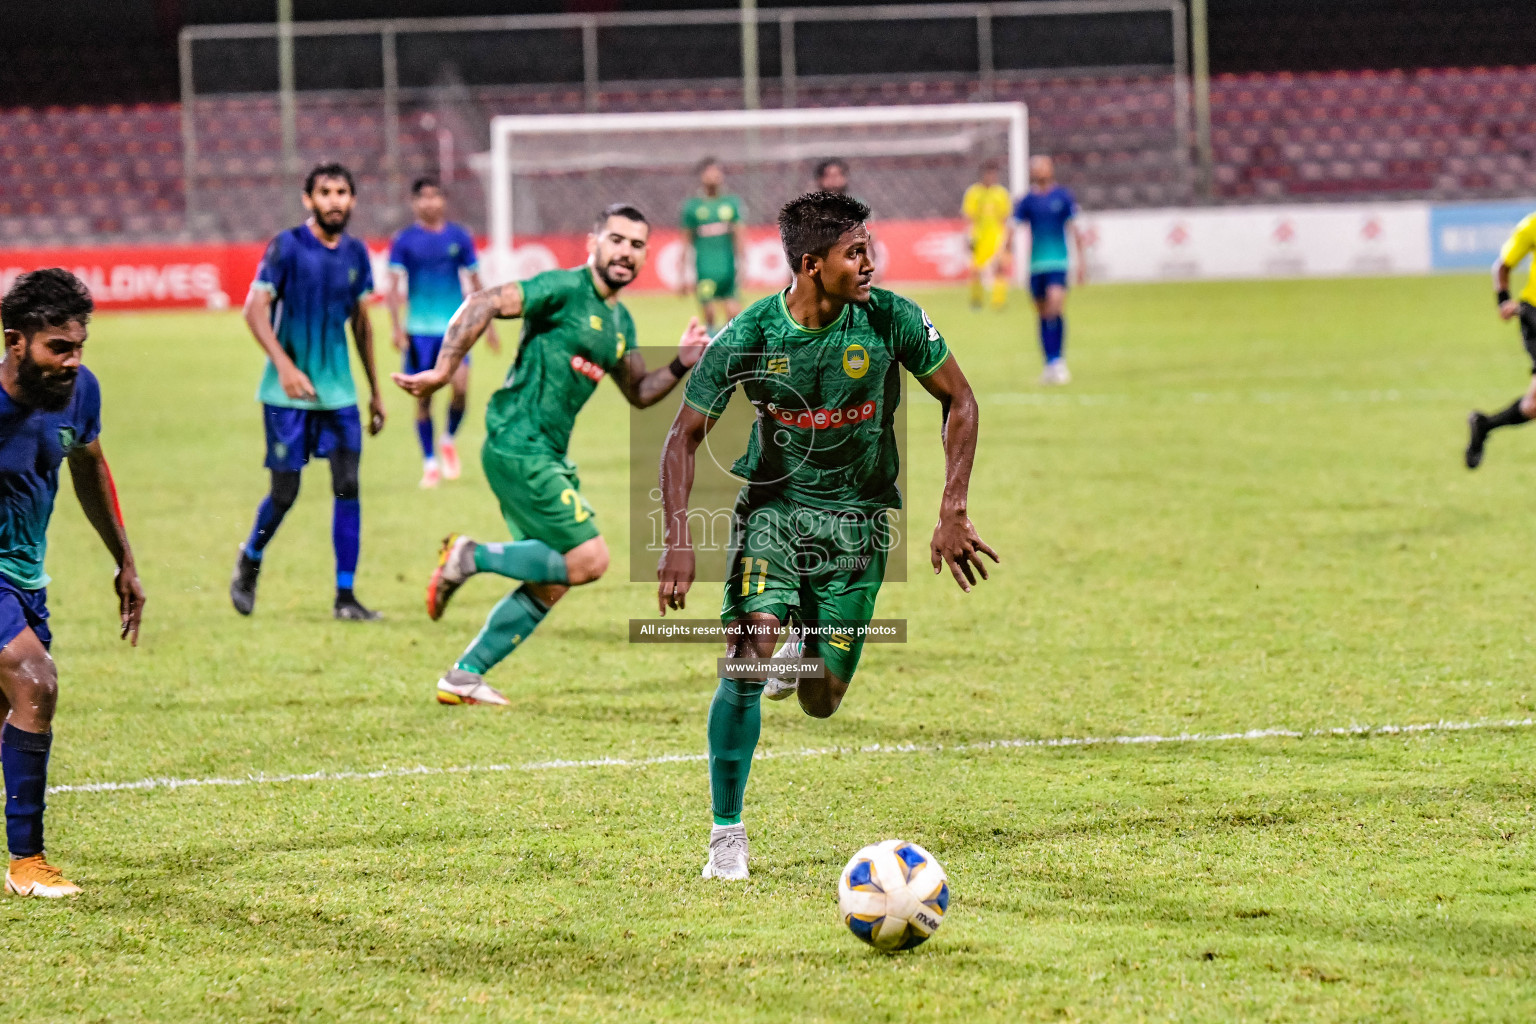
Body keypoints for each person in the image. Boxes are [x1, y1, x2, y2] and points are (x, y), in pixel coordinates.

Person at [656, 192, 998, 881]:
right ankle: (727, 835)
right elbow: (682, 436)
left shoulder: (892, 319)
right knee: (745, 657)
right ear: (811, 265)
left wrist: (952, 507)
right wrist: (677, 538)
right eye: (855, 253)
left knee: (821, 701)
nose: (870, 262)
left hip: (861, 526)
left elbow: (960, 399)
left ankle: (805, 651)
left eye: (869, 248)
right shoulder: (751, 335)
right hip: (775, 517)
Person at [394, 203, 709, 707]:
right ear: (594, 243)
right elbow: (483, 301)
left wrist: (679, 362)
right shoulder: (562, 289)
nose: (625, 252)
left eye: (636, 245)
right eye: (617, 240)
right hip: (519, 444)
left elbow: (640, 392)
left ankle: (464, 675)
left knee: (555, 577)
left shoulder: (619, 320)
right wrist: (443, 369)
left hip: (545, 454)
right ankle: (468, 556)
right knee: (591, 558)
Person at [0, 269, 145, 897]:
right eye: (58, 348)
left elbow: (90, 468)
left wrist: (125, 560)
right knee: (36, 682)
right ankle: (27, 863)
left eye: (79, 346)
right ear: (14, 341)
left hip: (27, 576)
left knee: (6, 709)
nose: (72, 361)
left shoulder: (81, 393)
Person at [229, 162, 387, 621]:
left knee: (348, 486)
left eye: (342, 192)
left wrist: (375, 391)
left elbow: (361, 324)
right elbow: (253, 310)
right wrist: (285, 367)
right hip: (286, 395)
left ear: (353, 200)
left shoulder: (357, 253)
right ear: (308, 199)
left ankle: (345, 596)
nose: (334, 201)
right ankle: (250, 560)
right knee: (285, 493)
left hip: (339, 395)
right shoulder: (285, 247)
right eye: (325, 192)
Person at [387, 177, 501, 489]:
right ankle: (430, 463)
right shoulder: (404, 240)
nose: (429, 202)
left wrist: (488, 323)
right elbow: (394, 288)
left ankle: (448, 438)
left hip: (454, 328)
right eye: (423, 197)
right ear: (414, 203)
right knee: (423, 399)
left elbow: (476, 282)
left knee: (461, 389)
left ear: (444, 201)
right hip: (419, 331)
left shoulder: (459, 237)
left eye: (435, 196)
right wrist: (397, 327)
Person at [1465, 209, 1536, 468]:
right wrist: (1503, 301)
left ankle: (1484, 425)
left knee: (1533, 406)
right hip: (1534, 315)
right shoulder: (1532, 226)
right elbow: (1502, 266)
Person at [1012, 155, 1085, 386]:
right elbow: (1013, 227)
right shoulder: (1027, 201)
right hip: (1036, 265)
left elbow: (1074, 228)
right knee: (1043, 313)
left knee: (1055, 305)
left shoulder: (1062, 196)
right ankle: (1049, 363)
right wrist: (1002, 253)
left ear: (1051, 169)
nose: (1040, 170)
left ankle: (1059, 361)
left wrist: (1081, 262)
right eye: (1036, 167)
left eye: (1044, 166)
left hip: (1058, 263)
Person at [677, 158, 745, 337]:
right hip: (705, 268)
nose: (714, 176)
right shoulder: (693, 207)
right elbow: (685, 241)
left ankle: (729, 346)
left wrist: (743, 263)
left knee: (735, 314)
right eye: (710, 172)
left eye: (717, 171)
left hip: (728, 267)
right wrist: (681, 274)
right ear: (701, 176)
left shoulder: (731, 203)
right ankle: (713, 349)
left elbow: (739, 236)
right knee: (709, 314)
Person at [962, 159, 1013, 311]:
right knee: (975, 270)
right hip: (979, 236)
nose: (991, 177)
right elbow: (969, 217)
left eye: (994, 174)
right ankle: (976, 301)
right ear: (983, 175)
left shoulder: (1001, 194)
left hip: (997, 237)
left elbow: (1005, 218)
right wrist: (969, 237)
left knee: (999, 268)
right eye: (989, 174)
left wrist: (1007, 239)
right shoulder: (974, 193)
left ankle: (998, 301)